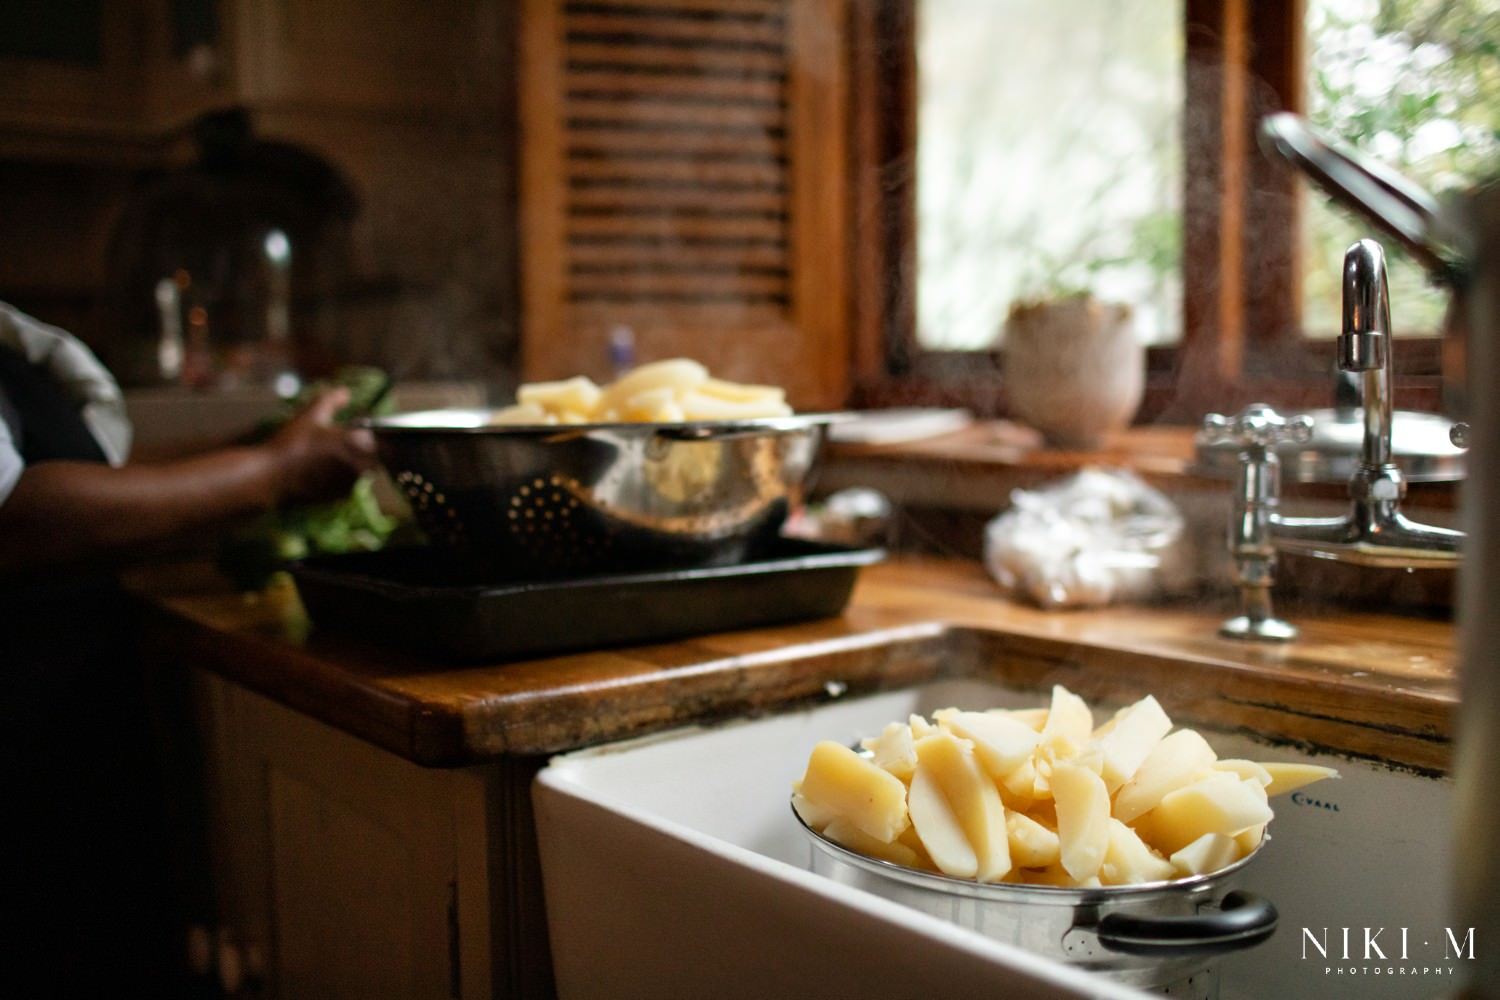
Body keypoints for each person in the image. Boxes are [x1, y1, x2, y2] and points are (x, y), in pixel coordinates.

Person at [0, 300, 377, 995]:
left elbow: (87, 472)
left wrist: (261, 446)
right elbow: (14, 518)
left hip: (69, 726)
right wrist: (272, 472)